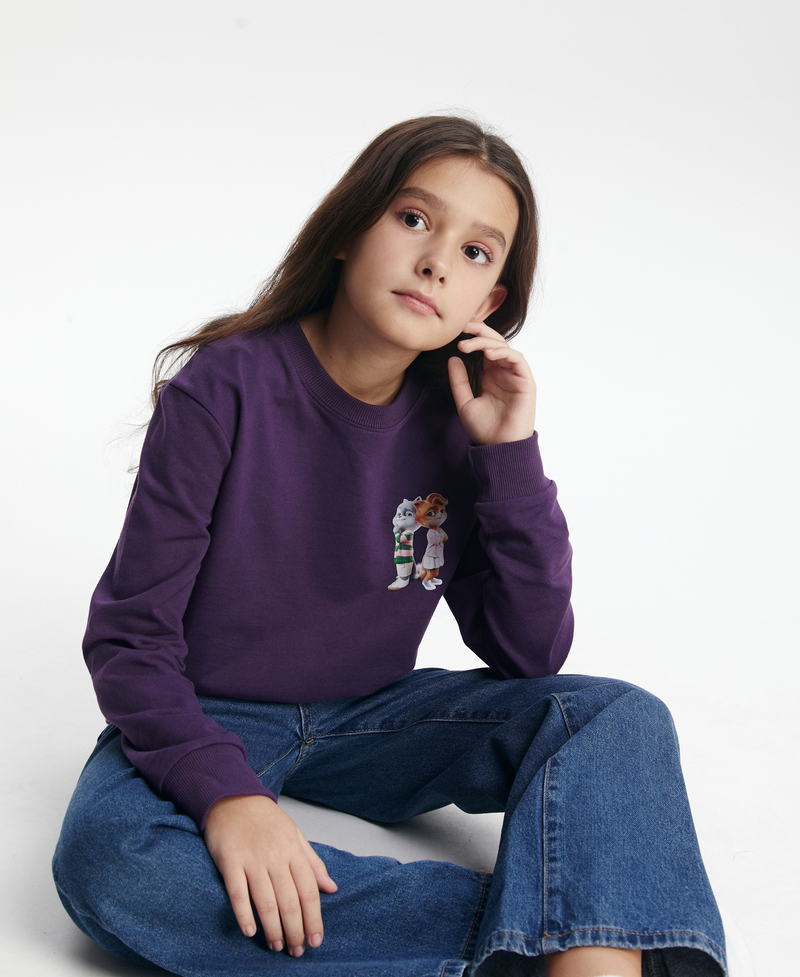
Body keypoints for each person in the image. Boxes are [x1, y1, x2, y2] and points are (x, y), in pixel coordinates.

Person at [52, 116, 727, 977]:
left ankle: (578, 939)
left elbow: (528, 652)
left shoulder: (460, 418)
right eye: (413, 219)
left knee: (615, 715)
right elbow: (129, 639)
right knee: (115, 862)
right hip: (212, 713)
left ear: (487, 305)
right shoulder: (223, 389)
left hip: (374, 721)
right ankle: (583, 934)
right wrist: (229, 800)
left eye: (475, 253)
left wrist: (509, 455)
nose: (437, 261)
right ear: (348, 229)